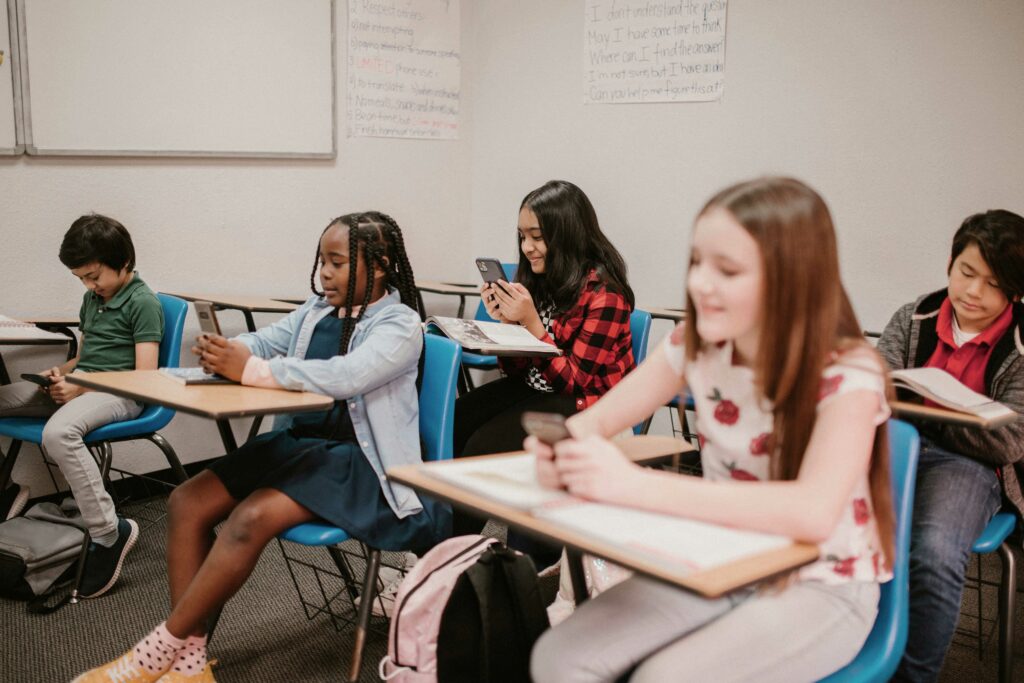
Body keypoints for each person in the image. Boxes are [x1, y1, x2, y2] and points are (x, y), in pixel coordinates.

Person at [529, 177, 895, 683]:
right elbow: (595, 420)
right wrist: (563, 448)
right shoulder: (696, 342)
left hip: (823, 583)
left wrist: (633, 485)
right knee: (558, 657)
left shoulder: (849, 372)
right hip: (725, 559)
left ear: (791, 278)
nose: (701, 283)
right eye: (697, 262)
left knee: (663, 678)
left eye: (727, 270)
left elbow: (811, 513)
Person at [73, 212, 447, 683]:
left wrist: (250, 370)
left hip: (363, 466)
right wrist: (226, 352)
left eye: (337, 263)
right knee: (186, 500)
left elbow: (348, 375)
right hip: (303, 446)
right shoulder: (316, 312)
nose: (324, 274)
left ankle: (157, 650)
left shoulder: (400, 324)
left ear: (378, 267)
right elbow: (264, 342)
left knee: (251, 517)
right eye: (322, 262)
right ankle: (189, 663)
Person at [452, 180, 635, 563]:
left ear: (565, 235)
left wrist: (533, 325)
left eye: (537, 237)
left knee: (479, 450)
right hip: (541, 390)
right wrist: (507, 325)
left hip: (588, 403)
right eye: (522, 236)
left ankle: (452, 560)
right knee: (457, 419)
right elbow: (518, 368)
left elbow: (575, 381)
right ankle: (445, 551)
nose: (526, 248)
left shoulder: (606, 294)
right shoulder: (539, 279)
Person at [878, 210, 1024, 682]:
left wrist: (928, 420)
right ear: (950, 263)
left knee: (934, 552)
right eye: (966, 272)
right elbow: (876, 392)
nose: (974, 292)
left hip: (973, 466)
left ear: (1015, 291)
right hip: (896, 447)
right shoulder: (914, 316)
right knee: (829, 521)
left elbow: (1007, 440)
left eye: (994, 283)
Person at [0, 214, 163, 598]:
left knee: (59, 433)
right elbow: (86, 358)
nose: (90, 286)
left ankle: (109, 532)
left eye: (94, 277)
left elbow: (144, 377)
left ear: (123, 262)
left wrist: (82, 388)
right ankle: (5, 491)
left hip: (124, 395)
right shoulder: (92, 299)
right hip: (84, 386)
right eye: (82, 280)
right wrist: (62, 372)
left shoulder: (143, 303)